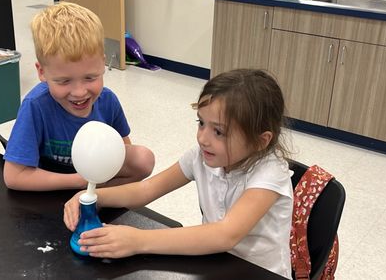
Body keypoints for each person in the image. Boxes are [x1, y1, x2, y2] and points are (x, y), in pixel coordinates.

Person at [63, 69, 294, 278]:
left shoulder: (270, 172)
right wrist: (93, 197)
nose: (203, 138)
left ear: (260, 141)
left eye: (219, 132)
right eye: (201, 123)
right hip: (214, 262)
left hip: (259, 273)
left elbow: (225, 235)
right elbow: (147, 189)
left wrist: (138, 240)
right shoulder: (201, 156)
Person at [3, 2, 154, 191]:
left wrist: (95, 191)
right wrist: (81, 181)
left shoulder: (108, 101)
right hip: (49, 184)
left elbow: (122, 155)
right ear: (42, 72)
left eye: (90, 77)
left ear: (103, 63)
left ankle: (98, 199)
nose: (79, 92)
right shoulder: (35, 106)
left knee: (143, 159)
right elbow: (13, 177)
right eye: (64, 81)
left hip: (93, 185)